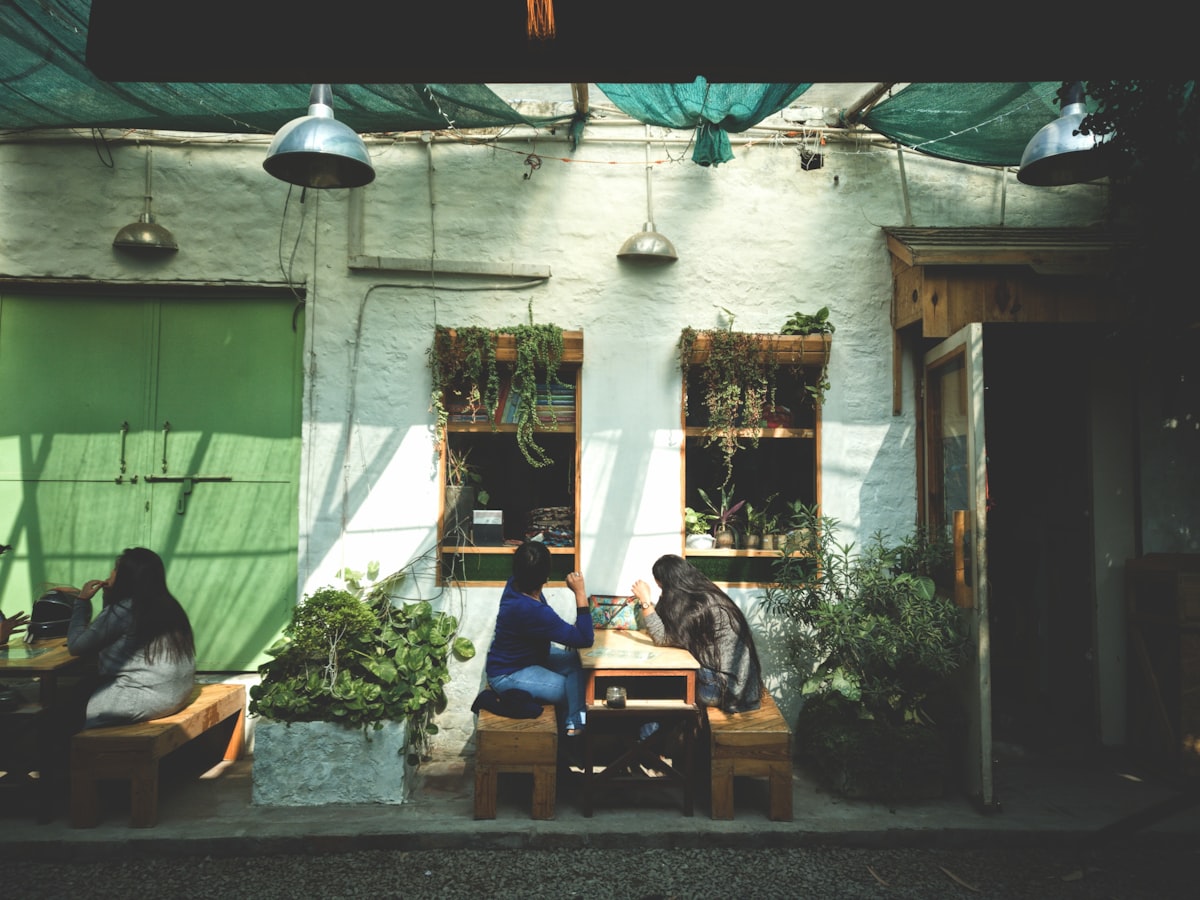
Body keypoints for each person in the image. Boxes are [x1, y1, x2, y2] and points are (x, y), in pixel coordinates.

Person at [65, 547, 196, 729]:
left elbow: (77, 646)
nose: (111, 573)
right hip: (176, 693)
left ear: (125, 577)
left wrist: (81, 602)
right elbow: (109, 632)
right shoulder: (169, 605)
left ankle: (64, 755)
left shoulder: (125, 609)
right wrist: (109, 598)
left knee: (67, 704)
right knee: (82, 688)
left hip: (145, 698)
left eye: (116, 569)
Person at [485, 541, 593, 737]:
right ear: (545, 576)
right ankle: (569, 742)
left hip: (532, 658)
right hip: (509, 673)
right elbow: (585, 638)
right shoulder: (531, 610)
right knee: (574, 691)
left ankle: (574, 723)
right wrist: (580, 593)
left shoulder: (515, 584)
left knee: (578, 665)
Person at [632, 554, 763, 714]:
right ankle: (647, 735)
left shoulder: (700, 607)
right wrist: (662, 595)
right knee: (660, 688)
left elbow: (661, 636)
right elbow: (665, 623)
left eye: (662, 586)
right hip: (733, 683)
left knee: (662, 687)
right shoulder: (698, 596)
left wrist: (645, 601)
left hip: (727, 689)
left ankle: (645, 736)